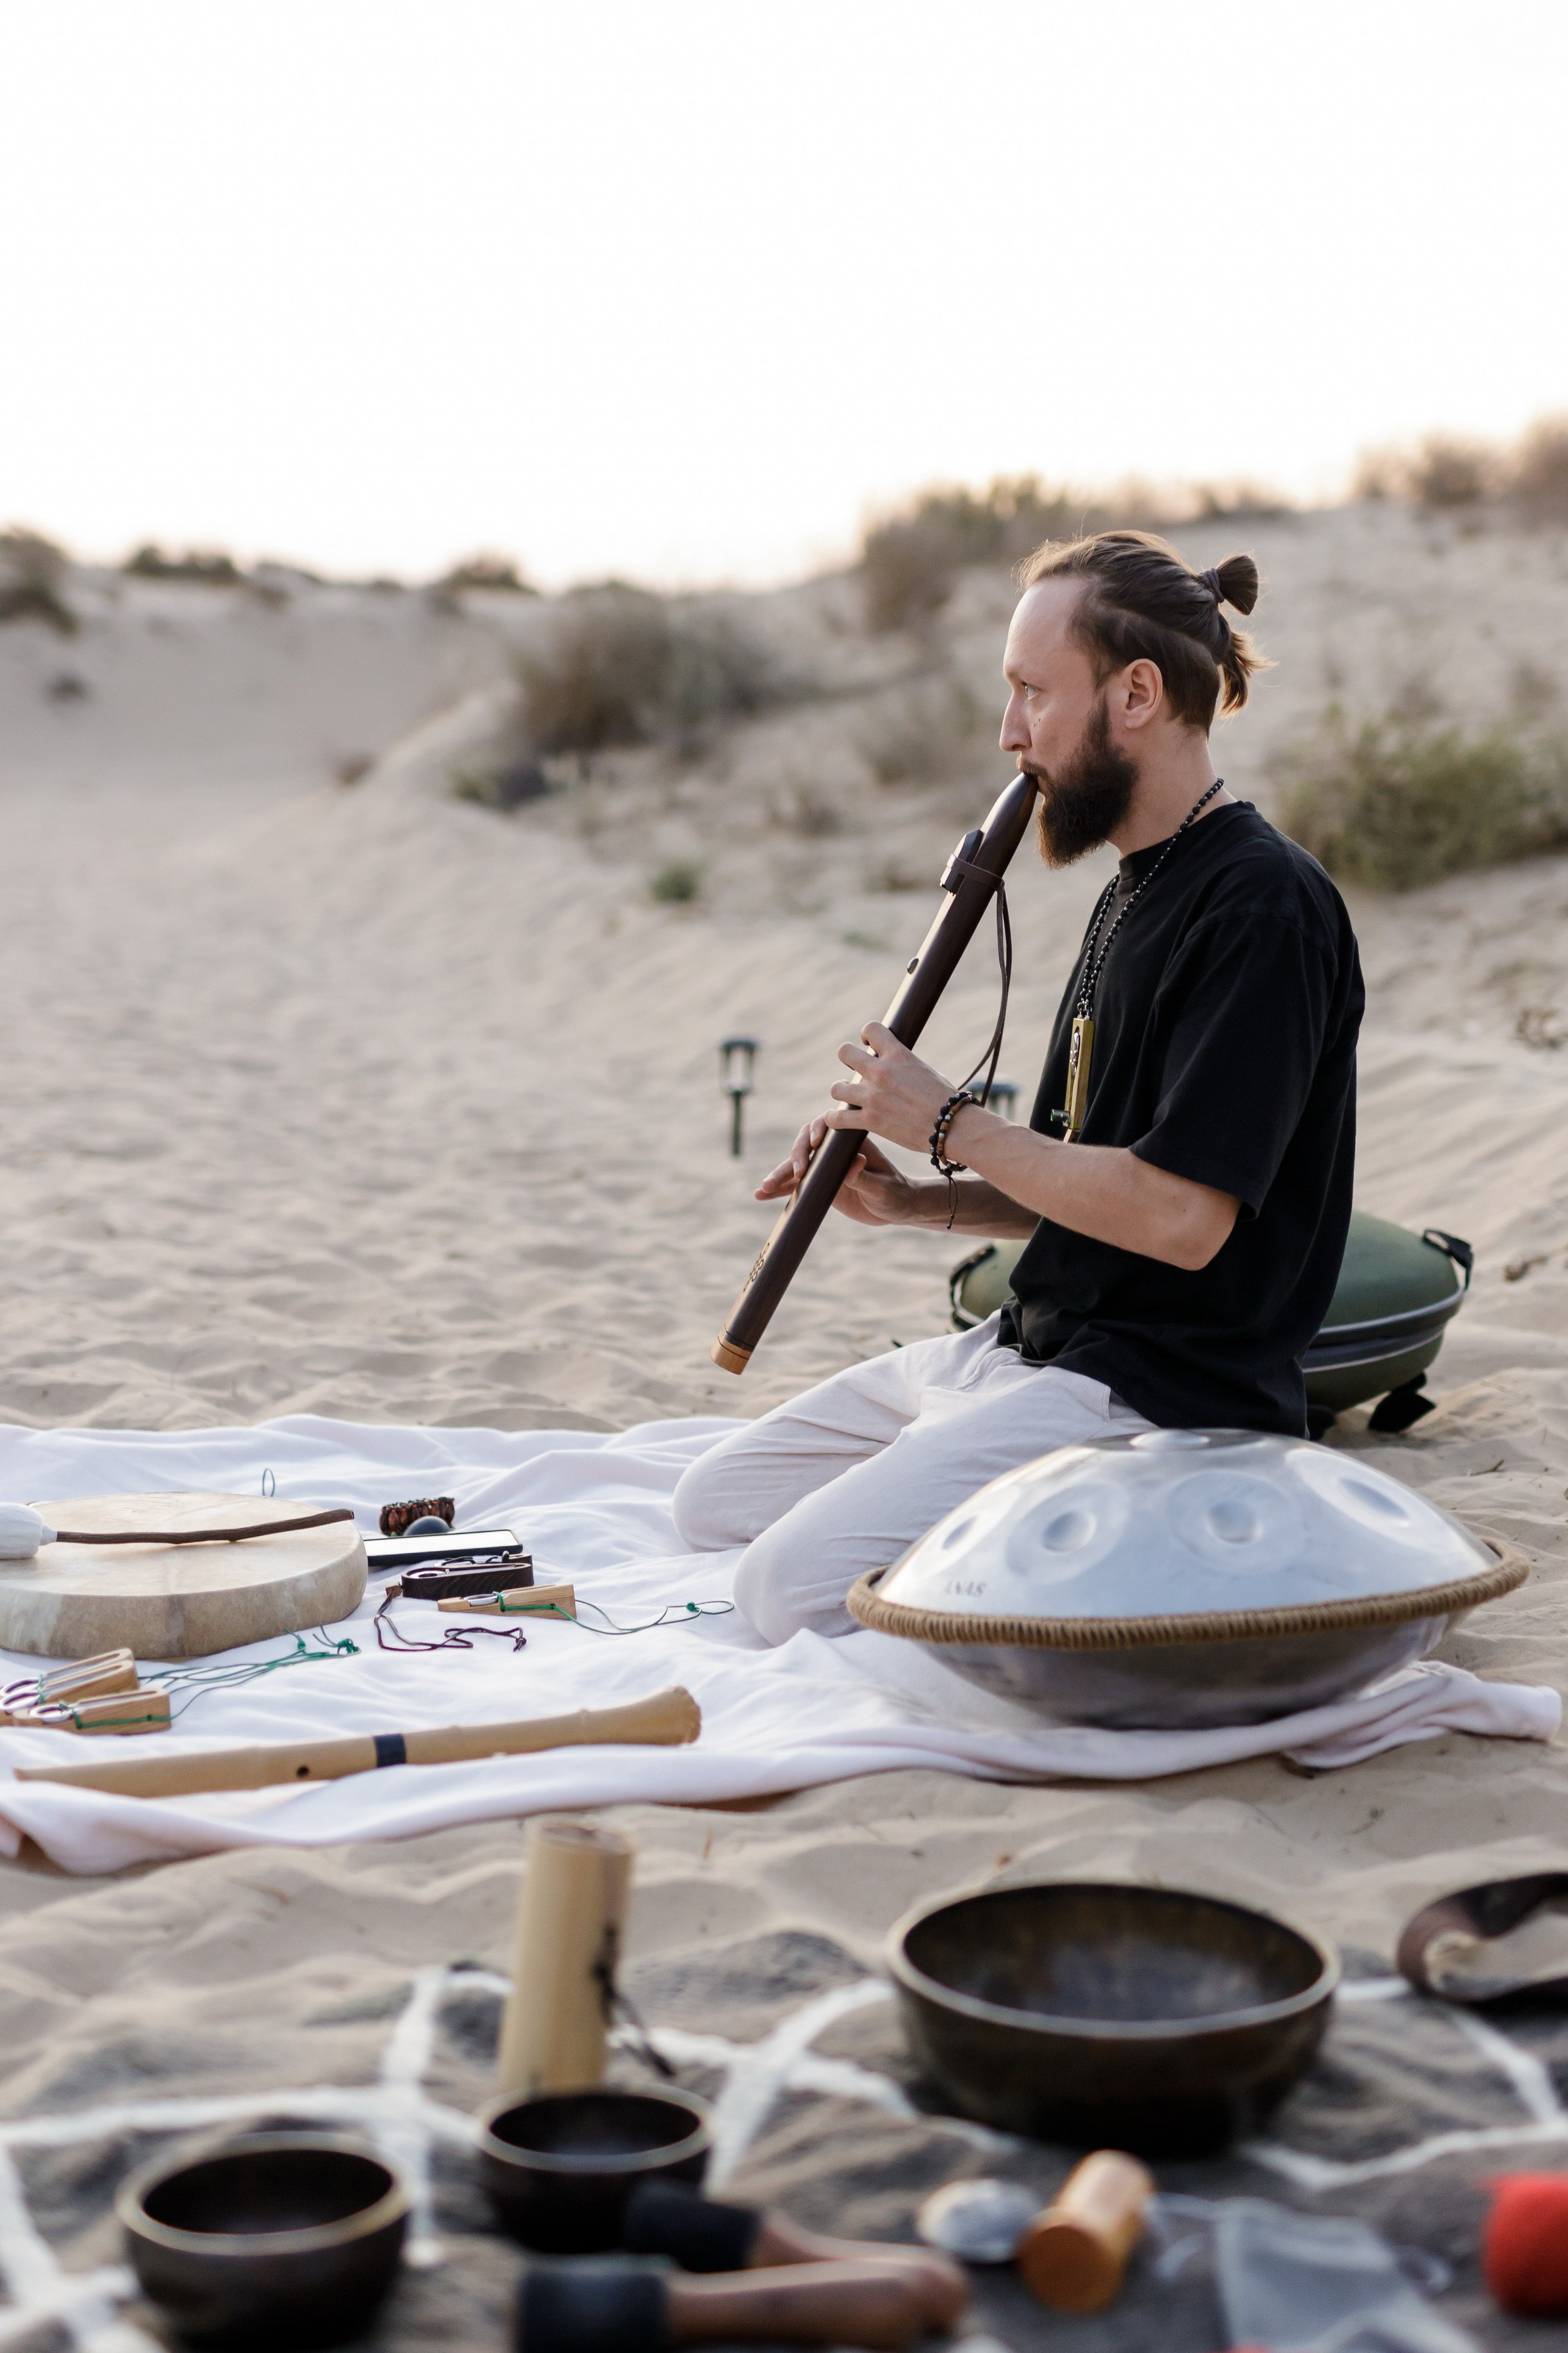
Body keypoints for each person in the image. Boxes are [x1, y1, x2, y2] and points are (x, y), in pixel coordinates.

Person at [673, 530, 1365, 1645]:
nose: (1009, 735)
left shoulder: (1262, 908)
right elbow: (1078, 1178)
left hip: (1152, 1394)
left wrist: (947, 1119)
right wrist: (911, 1196)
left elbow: (1183, 1218)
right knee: (710, 1507)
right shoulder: (1136, 890)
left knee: (780, 1595)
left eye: (1032, 693)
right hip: (1031, 1348)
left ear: (1136, 694)